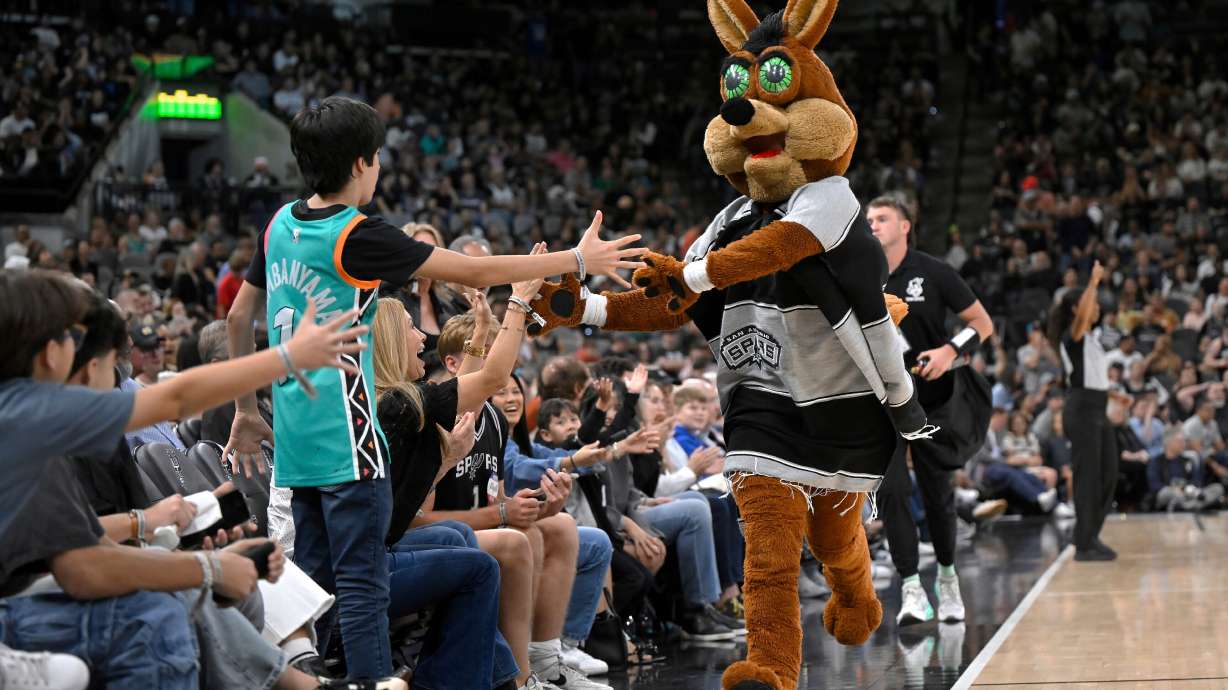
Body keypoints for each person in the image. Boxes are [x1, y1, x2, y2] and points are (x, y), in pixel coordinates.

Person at [223, 96, 643, 681]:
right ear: (362, 163)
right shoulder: (354, 235)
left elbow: (238, 318)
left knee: (315, 591)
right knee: (364, 586)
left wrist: (246, 408)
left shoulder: (280, 224)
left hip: (296, 445)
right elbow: (468, 272)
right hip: (350, 443)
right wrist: (575, 257)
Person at [0, 270, 403, 690]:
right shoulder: (33, 416)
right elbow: (83, 568)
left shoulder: (26, 412)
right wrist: (207, 568)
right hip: (16, 612)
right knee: (158, 613)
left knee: (200, 593)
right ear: (51, 353)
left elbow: (88, 545)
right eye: (75, 339)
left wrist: (195, 558)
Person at [421, 310, 612, 690]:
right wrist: (503, 513)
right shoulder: (434, 419)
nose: (503, 365)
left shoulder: (491, 417)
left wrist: (541, 506)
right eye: (491, 353)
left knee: (558, 526)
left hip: (473, 527)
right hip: (430, 537)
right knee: (519, 539)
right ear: (454, 363)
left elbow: (498, 498)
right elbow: (414, 519)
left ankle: (545, 661)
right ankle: (520, 678)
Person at [869, 195, 994, 624]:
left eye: (882, 218)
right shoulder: (856, 273)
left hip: (931, 395)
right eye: (868, 218)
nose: (873, 224)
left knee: (938, 494)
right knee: (892, 490)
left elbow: (982, 323)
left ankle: (947, 578)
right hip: (881, 397)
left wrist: (949, 350)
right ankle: (910, 589)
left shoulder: (933, 271)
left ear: (905, 226)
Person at [1049, 261, 1119, 561]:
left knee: (1108, 472)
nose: (1098, 308)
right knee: (1089, 476)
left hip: (1096, 407)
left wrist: (1114, 396)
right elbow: (1081, 384)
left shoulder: (1091, 339)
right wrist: (1093, 282)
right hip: (1082, 410)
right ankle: (1085, 543)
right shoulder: (1072, 335)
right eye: (1091, 303)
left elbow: (1092, 376)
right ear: (1077, 309)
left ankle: (1089, 536)